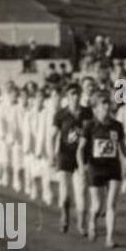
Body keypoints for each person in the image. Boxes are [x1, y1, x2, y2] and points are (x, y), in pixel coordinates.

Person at [77, 92, 126, 248]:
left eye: (108, 103)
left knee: (111, 205)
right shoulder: (89, 126)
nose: (107, 106)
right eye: (103, 104)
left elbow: (124, 148)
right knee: (97, 206)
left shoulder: (117, 126)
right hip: (95, 168)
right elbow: (80, 149)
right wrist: (82, 167)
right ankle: (92, 221)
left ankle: (109, 238)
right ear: (95, 108)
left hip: (113, 168)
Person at [50, 84, 88, 235]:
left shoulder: (87, 112)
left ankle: (81, 223)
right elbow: (52, 136)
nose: (76, 96)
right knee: (65, 192)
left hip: (82, 156)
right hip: (65, 155)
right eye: (73, 94)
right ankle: (64, 215)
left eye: (78, 93)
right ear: (67, 96)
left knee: (81, 190)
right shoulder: (60, 114)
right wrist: (51, 155)